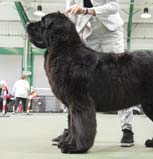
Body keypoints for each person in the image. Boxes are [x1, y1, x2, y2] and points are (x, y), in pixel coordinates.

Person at [51, 0, 134, 147]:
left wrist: (85, 10)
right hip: (87, 34)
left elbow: (114, 6)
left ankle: (127, 128)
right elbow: (71, 16)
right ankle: (72, 130)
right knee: (77, 85)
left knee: (120, 79)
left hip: (111, 32)